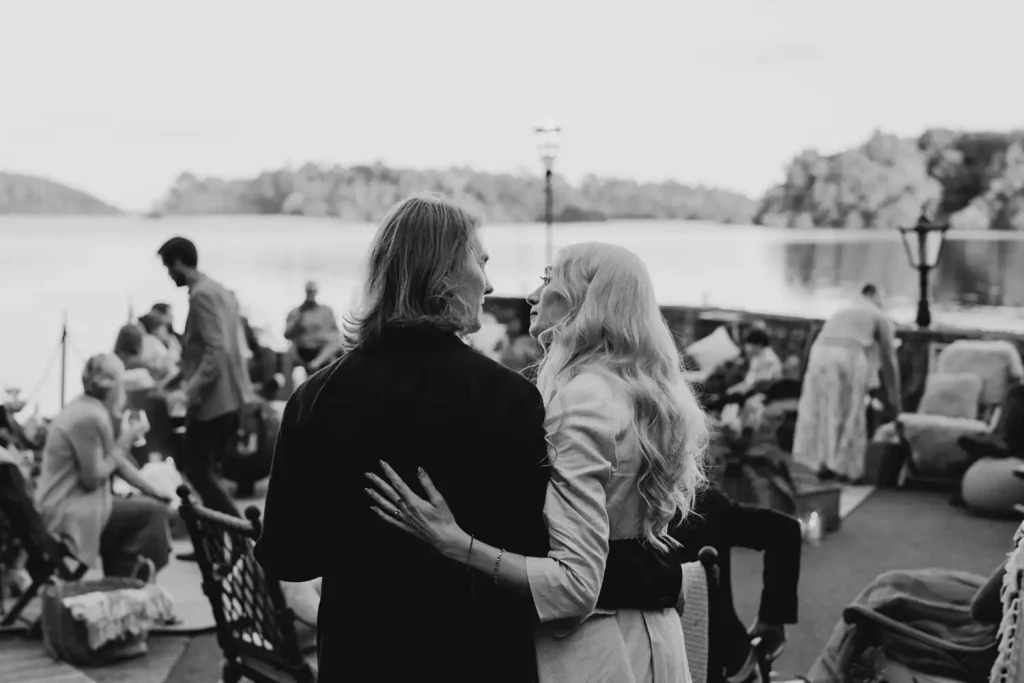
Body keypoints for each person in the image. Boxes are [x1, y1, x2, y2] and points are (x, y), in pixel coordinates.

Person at [254, 197, 687, 683]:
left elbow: (288, 558)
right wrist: (659, 576)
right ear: (442, 276)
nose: (493, 283)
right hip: (479, 655)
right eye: (481, 263)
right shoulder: (508, 399)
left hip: (361, 654)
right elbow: (545, 550)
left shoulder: (314, 397)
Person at [367, 241, 710, 682]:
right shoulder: (642, 393)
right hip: (655, 638)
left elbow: (574, 584)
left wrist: (456, 542)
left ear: (586, 300)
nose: (532, 295)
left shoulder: (584, 398)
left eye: (548, 280)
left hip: (600, 652)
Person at [34, 353, 172, 579]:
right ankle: (131, 578)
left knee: (147, 507)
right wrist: (125, 441)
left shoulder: (86, 407)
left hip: (63, 505)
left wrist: (153, 491)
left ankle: (126, 576)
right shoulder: (89, 417)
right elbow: (93, 477)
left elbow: (116, 462)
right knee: (152, 514)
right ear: (114, 385)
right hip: (67, 511)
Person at [157, 237, 255, 521]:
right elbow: (211, 348)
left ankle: (241, 534)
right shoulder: (220, 290)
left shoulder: (202, 295)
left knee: (196, 469)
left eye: (167, 268)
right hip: (231, 396)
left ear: (177, 263)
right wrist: (177, 378)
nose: (169, 275)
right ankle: (217, 540)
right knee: (206, 470)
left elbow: (217, 350)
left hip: (214, 401)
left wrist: (190, 391)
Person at [670, 485, 802, 683]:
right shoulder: (700, 500)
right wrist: (773, 617)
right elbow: (784, 530)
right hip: (725, 654)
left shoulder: (614, 513)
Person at [792, 283, 901, 482]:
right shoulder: (879, 315)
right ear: (876, 296)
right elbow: (889, 360)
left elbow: (814, 337)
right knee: (849, 411)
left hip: (820, 353)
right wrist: (895, 400)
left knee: (821, 410)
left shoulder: (843, 310)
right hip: (849, 354)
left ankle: (820, 462)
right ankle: (843, 467)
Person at [708, 328, 784, 412]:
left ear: (758, 345)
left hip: (761, 393)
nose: (747, 348)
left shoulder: (768, 360)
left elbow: (755, 383)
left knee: (719, 401)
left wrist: (734, 391)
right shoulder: (759, 357)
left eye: (749, 344)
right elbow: (749, 381)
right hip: (753, 390)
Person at [283, 280, 341, 373]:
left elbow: (336, 332)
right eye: (308, 291)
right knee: (291, 347)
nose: (310, 294)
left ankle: (314, 364)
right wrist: (298, 324)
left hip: (321, 348)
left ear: (316, 292)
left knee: (337, 342)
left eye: (312, 291)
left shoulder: (326, 310)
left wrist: (321, 335)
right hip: (303, 349)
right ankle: (313, 366)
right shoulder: (296, 312)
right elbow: (287, 335)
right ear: (305, 291)